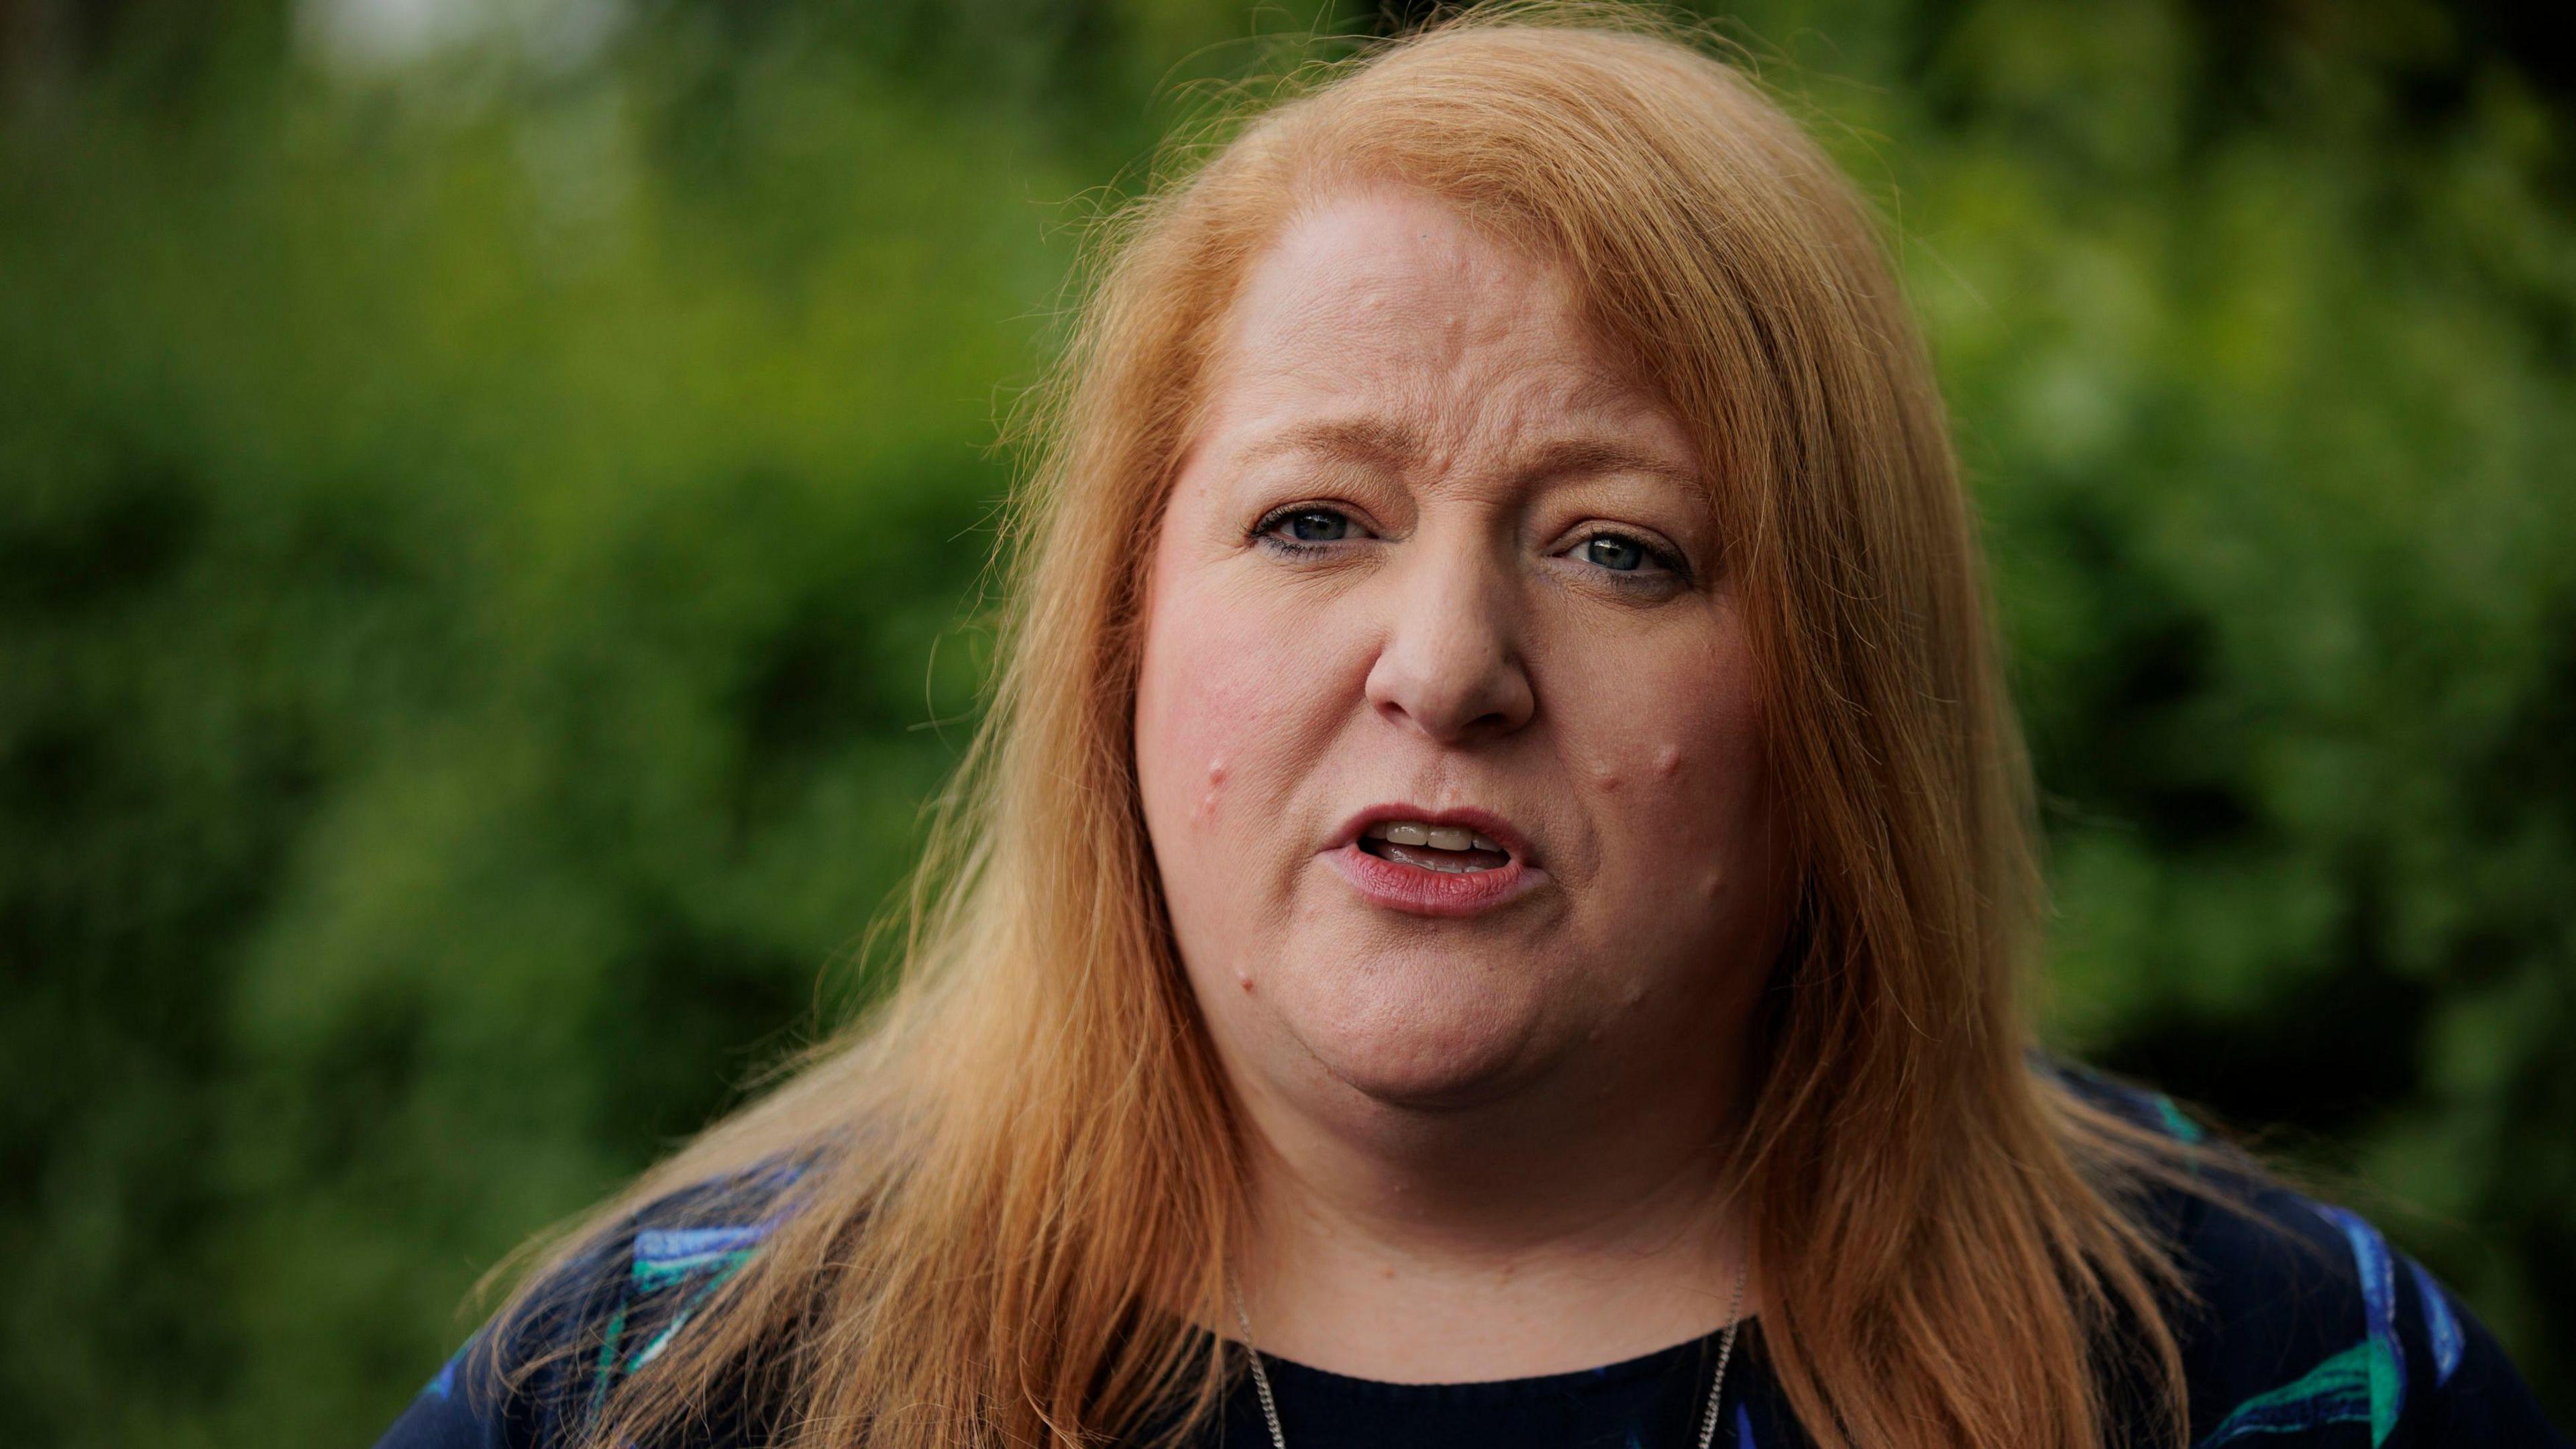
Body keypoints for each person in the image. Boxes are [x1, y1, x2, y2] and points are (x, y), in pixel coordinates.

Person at [373, 8, 2566, 1448]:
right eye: (1316, 519)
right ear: (1124, 631)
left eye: (1622, 550)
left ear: (1843, 688)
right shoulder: (676, 1384)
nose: (1445, 662)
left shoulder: (2261, 1377)